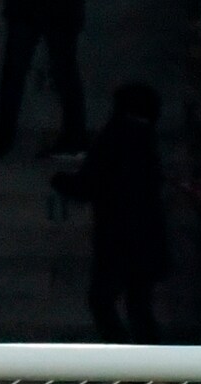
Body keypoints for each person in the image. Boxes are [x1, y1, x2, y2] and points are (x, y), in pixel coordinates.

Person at [53, 83, 168, 344]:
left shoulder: (114, 136)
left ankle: (122, 355)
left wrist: (59, 180)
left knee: (102, 301)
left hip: (117, 236)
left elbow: (88, 184)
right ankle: (151, 360)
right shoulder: (147, 140)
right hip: (147, 236)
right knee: (139, 306)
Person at [0, 0, 88, 158]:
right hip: (58, 11)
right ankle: (74, 136)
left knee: (15, 73)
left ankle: (3, 137)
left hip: (31, 11)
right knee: (65, 73)